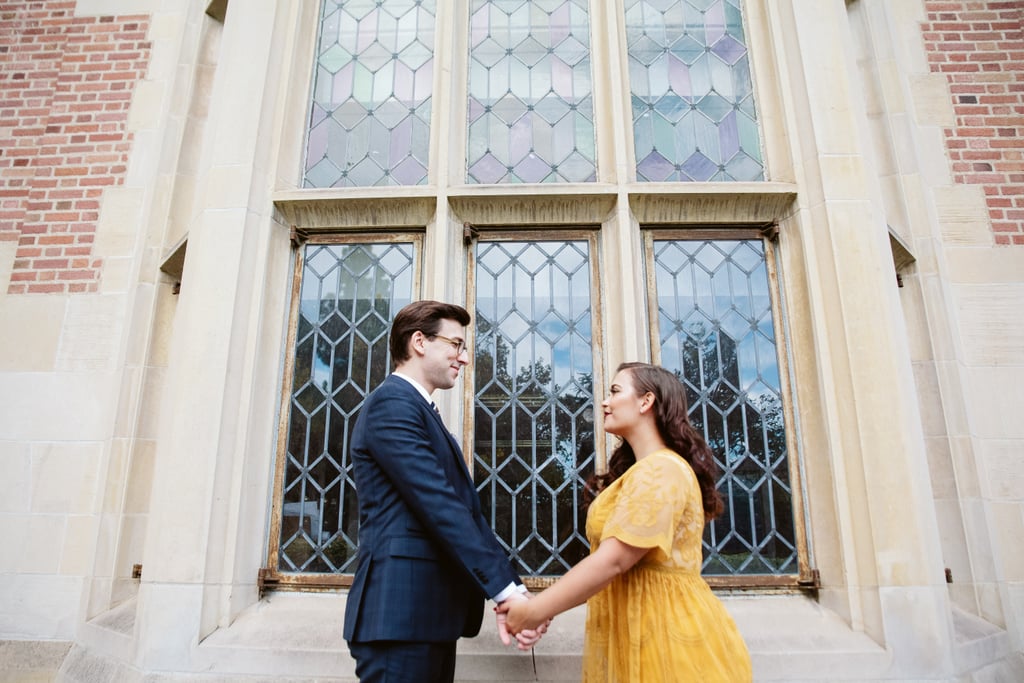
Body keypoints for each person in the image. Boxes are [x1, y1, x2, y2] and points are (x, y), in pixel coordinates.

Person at [497, 362, 753, 682]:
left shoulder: (661, 470)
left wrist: (536, 611)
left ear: (646, 401)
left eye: (615, 392)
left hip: (667, 638)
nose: (605, 402)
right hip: (635, 631)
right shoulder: (640, 472)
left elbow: (614, 560)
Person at [343, 300, 544, 683]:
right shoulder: (392, 404)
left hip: (425, 618)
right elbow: (439, 504)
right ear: (419, 341)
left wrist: (512, 589)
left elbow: (466, 512)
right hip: (399, 618)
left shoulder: (418, 409)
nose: (463, 358)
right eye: (455, 344)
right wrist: (505, 593)